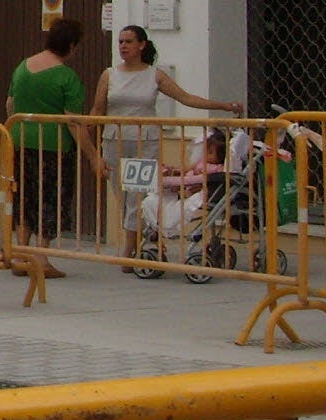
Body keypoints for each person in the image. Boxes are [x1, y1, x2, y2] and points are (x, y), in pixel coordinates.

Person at [90, 24, 243, 270]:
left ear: (142, 45)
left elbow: (186, 97)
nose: (123, 46)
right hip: (114, 142)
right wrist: (91, 148)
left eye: (129, 41)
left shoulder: (154, 75)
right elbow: (97, 110)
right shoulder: (109, 75)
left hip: (145, 143)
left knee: (137, 197)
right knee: (123, 195)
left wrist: (223, 106)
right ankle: (142, 243)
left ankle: (127, 253)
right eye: (120, 42)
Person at [7, 17, 104, 277]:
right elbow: (74, 122)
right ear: (72, 45)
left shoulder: (22, 68)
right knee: (50, 199)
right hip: (54, 147)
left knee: (24, 197)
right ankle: (41, 257)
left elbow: (10, 105)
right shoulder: (67, 77)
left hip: (19, 141)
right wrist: (93, 156)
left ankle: (20, 253)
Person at [139, 129, 229, 242]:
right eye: (206, 151)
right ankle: (154, 222)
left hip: (201, 186)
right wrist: (174, 171)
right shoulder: (201, 162)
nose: (206, 155)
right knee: (163, 191)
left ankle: (183, 193)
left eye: (210, 153)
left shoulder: (218, 169)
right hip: (188, 181)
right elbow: (187, 169)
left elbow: (208, 180)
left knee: (198, 187)